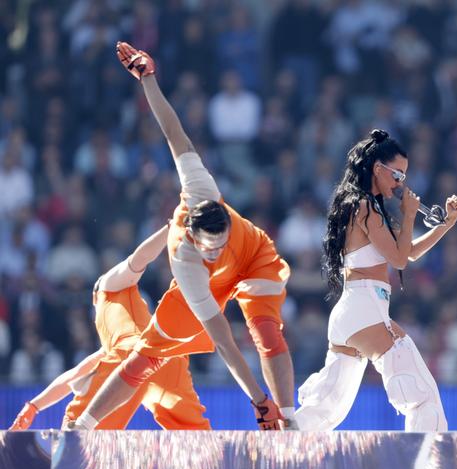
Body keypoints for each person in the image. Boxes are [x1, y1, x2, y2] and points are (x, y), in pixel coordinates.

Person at [71, 42, 294, 431]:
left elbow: (174, 131)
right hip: (208, 285)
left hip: (255, 253)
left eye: (223, 240)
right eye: (212, 248)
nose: (217, 250)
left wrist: (149, 79)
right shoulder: (187, 264)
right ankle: (82, 428)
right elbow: (224, 342)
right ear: (193, 237)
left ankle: (290, 423)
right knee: (145, 357)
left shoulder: (200, 188)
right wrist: (258, 401)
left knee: (265, 330)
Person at [294, 129, 457, 431]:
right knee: (421, 396)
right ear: (377, 169)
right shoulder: (364, 207)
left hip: (357, 311)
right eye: (397, 174)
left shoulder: (363, 206)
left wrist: (446, 225)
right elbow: (399, 259)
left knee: (324, 410)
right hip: (365, 308)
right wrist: (409, 215)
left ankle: (272, 449)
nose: (401, 183)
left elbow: (407, 252)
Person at [10, 226, 210, 431]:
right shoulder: (111, 337)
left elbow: (141, 258)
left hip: (131, 356)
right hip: (168, 360)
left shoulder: (107, 284)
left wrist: (170, 228)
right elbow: (72, 376)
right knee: (198, 438)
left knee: (77, 436)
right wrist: (34, 406)